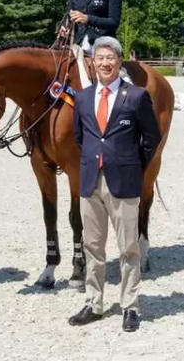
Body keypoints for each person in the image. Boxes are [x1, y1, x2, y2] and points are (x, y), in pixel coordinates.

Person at [68, 36, 160, 333]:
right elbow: (81, 137)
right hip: (90, 180)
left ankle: (130, 306)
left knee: (128, 248)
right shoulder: (82, 98)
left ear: (119, 62)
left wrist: (133, 165)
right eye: (100, 58)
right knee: (92, 246)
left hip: (125, 180)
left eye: (111, 58)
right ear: (92, 63)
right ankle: (94, 302)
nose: (105, 63)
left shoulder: (136, 96)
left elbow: (151, 138)